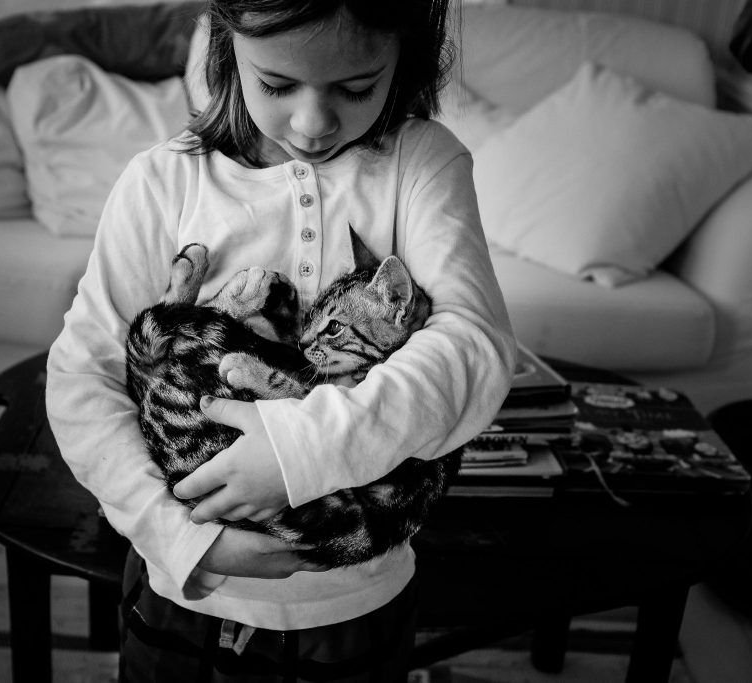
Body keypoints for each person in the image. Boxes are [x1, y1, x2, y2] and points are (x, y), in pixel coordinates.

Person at [46, 0, 517, 680]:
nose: (313, 123)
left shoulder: (422, 163)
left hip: (356, 605)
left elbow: (475, 346)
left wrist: (299, 452)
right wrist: (180, 536)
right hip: (184, 596)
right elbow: (81, 378)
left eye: (356, 87)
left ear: (406, 53)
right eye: (276, 84)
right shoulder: (161, 182)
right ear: (225, 39)